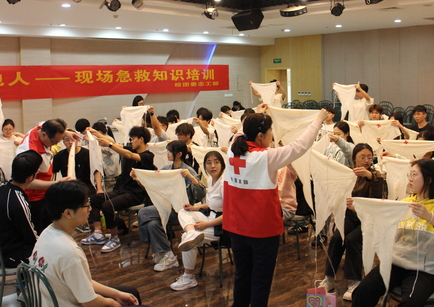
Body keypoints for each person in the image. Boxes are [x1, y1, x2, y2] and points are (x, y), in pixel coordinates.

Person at [223, 106, 328, 307]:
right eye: (271, 131)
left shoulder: (232, 150)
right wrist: (317, 121)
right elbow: (299, 146)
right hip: (262, 231)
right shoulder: (266, 157)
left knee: (242, 275)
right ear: (260, 136)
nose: (272, 135)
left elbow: (241, 131)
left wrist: (256, 112)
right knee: (261, 281)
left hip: (236, 228)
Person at [352, 159, 434, 307]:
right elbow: (382, 221)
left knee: (410, 303)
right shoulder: (404, 203)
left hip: (423, 271)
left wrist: (430, 217)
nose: (410, 179)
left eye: (414, 175)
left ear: (429, 179)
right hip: (395, 263)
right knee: (362, 291)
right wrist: (360, 209)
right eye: (409, 174)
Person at [30, 180, 148, 307]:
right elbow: (89, 302)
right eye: (86, 205)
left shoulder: (47, 233)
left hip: (50, 300)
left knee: (130, 292)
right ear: (68, 213)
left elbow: (82, 281)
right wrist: (113, 303)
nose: (90, 209)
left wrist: (116, 294)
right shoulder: (69, 252)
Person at [319, 143, 387, 300]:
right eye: (362, 157)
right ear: (354, 159)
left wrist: (369, 176)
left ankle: (355, 281)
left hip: (369, 220)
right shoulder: (349, 173)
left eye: (369, 157)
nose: (366, 160)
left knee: (352, 240)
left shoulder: (375, 176)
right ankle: (329, 278)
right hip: (350, 217)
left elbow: (378, 194)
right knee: (337, 238)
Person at [82, 126, 155, 253]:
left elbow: (129, 155)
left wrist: (109, 145)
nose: (131, 141)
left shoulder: (147, 156)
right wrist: (95, 133)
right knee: (94, 199)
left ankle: (114, 238)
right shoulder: (130, 149)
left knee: (107, 205)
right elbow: (115, 144)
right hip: (122, 190)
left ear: (141, 139)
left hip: (136, 194)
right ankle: (98, 233)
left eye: (133, 139)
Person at [135, 140, 205, 271]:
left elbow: (200, 194)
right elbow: (154, 185)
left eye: (169, 151)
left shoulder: (188, 171)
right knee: (152, 224)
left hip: (181, 212)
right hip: (165, 208)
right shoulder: (166, 170)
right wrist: (138, 179)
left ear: (179, 154)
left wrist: (191, 178)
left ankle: (154, 248)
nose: (167, 153)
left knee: (144, 213)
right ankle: (168, 255)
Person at [170, 150, 225, 290]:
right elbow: (213, 204)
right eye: (209, 163)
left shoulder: (225, 183)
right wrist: (195, 208)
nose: (213, 166)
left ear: (222, 164)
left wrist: (207, 224)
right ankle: (191, 233)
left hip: (222, 225)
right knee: (183, 211)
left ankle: (188, 278)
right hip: (211, 215)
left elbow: (231, 213)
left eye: (216, 162)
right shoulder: (212, 180)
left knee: (185, 239)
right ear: (204, 166)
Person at [17, 119, 76, 234]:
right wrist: (56, 183)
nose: (56, 145)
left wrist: (67, 133)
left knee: (49, 228)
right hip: (32, 199)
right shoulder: (31, 154)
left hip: (44, 194)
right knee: (38, 232)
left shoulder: (40, 129)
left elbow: (45, 123)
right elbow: (28, 183)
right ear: (44, 135)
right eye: (55, 142)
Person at [0, 151, 42, 268]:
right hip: (12, 256)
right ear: (31, 177)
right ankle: (30, 278)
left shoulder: (1, 190)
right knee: (53, 250)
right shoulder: (18, 201)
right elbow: (31, 237)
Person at [52, 130, 103, 195]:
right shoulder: (59, 156)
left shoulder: (88, 153)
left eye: (73, 139)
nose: (70, 142)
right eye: (67, 140)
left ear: (77, 140)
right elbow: (53, 172)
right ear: (63, 142)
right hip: (68, 187)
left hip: (86, 187)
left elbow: (96, 171)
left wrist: (99, 189)